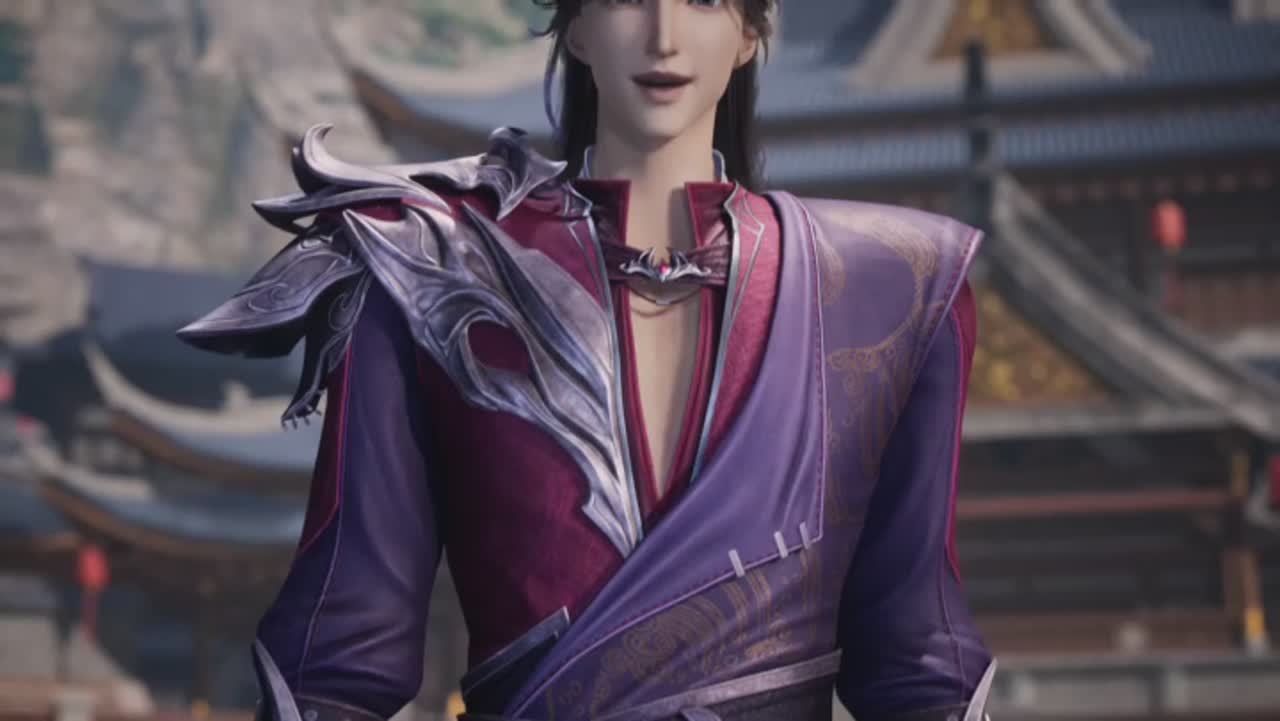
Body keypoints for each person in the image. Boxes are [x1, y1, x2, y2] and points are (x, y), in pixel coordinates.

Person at [179, 1, 995, 719]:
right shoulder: (430, 266)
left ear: (751, 30)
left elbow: (919, 659)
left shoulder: (892, 286)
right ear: (575, 26)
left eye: (703, 0)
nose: (664, 35)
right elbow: (339, 651)